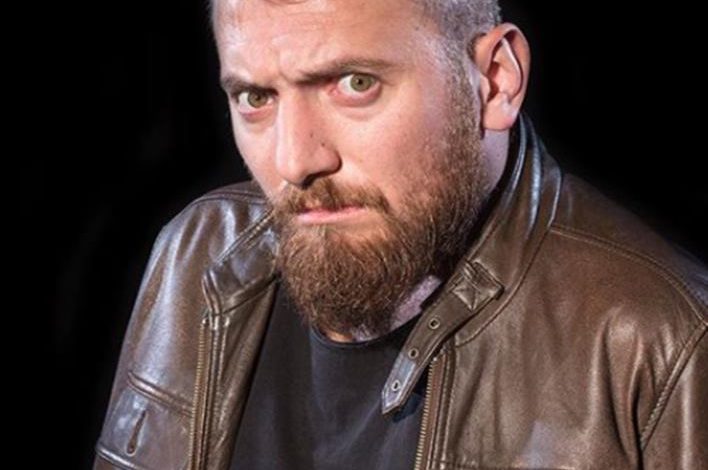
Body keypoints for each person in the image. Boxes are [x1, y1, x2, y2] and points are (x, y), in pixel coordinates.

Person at [92, 0, 707, 468]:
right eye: (256, 97)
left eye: (355, 84)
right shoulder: (197, 251)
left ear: (494, 80)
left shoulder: (662, 339)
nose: (294, 161)